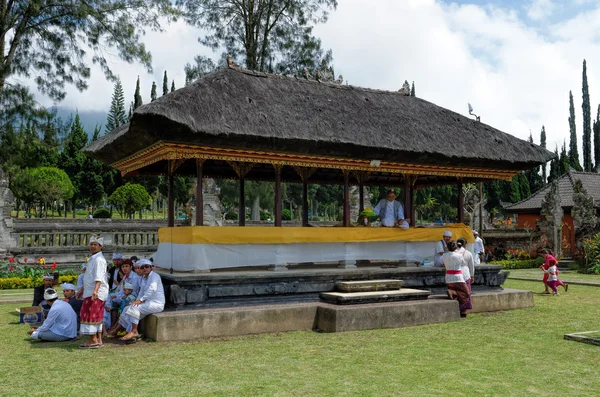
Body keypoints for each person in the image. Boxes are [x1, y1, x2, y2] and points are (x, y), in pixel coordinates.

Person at [109, 259, 165, 342]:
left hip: (156, 303)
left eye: (147, 266)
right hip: (147, 302)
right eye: (142, 267)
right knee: (126, 308)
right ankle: (123, 331)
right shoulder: (143, 278)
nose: (145, 269)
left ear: (151, 268)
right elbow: (141, 292)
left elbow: (152, 289)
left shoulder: (155, 276)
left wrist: (140, 300)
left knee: (134, 308)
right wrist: (137, 300)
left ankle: (134, 331)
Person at [76, 235, 109, 349]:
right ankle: (98, 339)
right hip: (90, 290)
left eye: (95, 245)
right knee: (95, 314)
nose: (93, 246)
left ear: (100, 246)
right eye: (91, 244)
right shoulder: (93, 258)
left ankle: (93, 340)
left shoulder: (99, 260)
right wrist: (81, 290)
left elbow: (98, 277)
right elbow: (89, 277)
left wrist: (95, 290)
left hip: (96, 292)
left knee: (92, 314)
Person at [108, 259, 140, 329]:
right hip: (125, 295)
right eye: (123, 267)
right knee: (111, 300)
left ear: (131, 267)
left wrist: (123, 296)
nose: (124, 268)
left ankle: (117, 327)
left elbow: (133, 291)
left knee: (123, 302)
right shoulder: (125, 277)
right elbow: (122, 290)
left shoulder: (135, 277)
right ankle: (113, 324)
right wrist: (116, 295)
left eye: (126, 266)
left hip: (133, 297)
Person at [442, 240, 471, 317]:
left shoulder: (444, 255)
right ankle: (452, 291)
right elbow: (463, 263)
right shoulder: (459, 255)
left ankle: (456, 311)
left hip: (448, 277)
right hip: (458, 277)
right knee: (466, 293)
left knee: (456, 296)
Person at [456, 238, 475, 309]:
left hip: (455, 274)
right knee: (466, 292)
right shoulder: (468, 253)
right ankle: (464, 309)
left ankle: (457, 307)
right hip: (465, 274)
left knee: (458, 292)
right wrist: (472, 275)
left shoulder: (453, 253)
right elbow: (471, 266)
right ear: (465, 244)